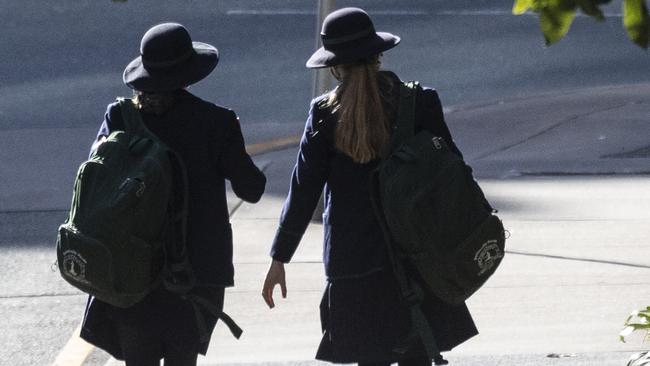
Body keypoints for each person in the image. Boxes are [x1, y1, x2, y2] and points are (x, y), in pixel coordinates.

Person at [262, 7, 477, 366]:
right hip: (419, 257)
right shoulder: (419, 102)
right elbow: (452, 171)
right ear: (378, 55)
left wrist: (279, 258)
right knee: (420, 354)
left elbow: (303, 192)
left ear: (334, 67)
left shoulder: (323, 115)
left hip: (354, 265)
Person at [80, 23, 266, 366]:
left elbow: (95, 182)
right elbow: (251, 190)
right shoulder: (216, 122)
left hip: (129, 268)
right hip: (193, 275)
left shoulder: (119, 116)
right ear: (189, 74)